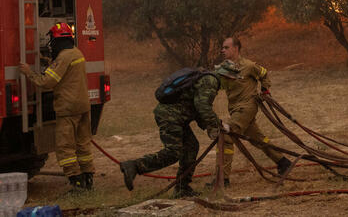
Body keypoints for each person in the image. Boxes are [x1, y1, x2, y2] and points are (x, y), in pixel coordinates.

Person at [119, 68, 224, 197]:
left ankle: (182, 188)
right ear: (227, 77)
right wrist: (215, 124)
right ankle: (135, 166)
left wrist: (212, 125)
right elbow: (202, 106)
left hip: (177, 117)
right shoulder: (211, 81)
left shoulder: (205, 79)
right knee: (173, 152)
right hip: (170, 116)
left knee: (191, 147)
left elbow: (195, 108)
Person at [20, 23, 94, 190]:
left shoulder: (63, 57)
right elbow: (64, 68)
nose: (51, 44)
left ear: (57, 41)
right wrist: (46, 60)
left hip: (68, 109)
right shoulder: (76, 53)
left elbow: (46, 82)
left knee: (65, 147)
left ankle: (76, 183)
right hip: (83, 106)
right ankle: (88, 179)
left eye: (52, 40)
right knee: (83, 145)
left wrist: (28, 73)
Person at [215, 37, 291, 185]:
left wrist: (265, 90)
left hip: (247, 107)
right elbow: (215, 83)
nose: (222, 50)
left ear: (236, 48)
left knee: (226, 135)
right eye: (222, 48)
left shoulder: (249, 66)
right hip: (235, 109)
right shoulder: (223, 68)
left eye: (226, 47)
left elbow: (264, 74)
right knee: (258, 139)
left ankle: (222, 180)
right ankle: (283, 162)